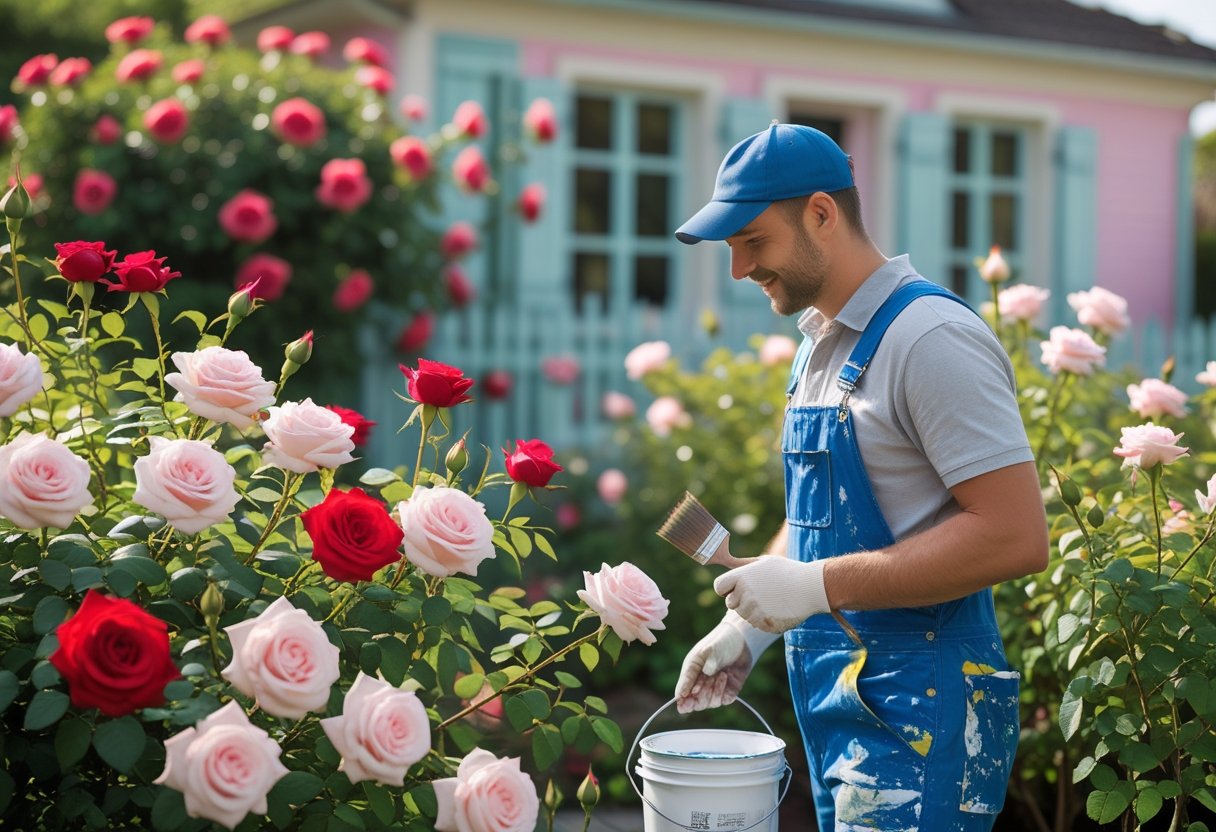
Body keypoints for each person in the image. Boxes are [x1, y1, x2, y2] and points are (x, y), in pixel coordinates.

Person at [672, 122, 1049, 831]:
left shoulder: (928, 339)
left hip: (926, 719)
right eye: (732, 249)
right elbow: (820, 517)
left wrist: (816, 587)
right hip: (840, 713)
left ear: (821, 213)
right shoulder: (819, 346)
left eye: (753, 243)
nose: (739, 270)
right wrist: (746, 630)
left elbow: (1015, 538)